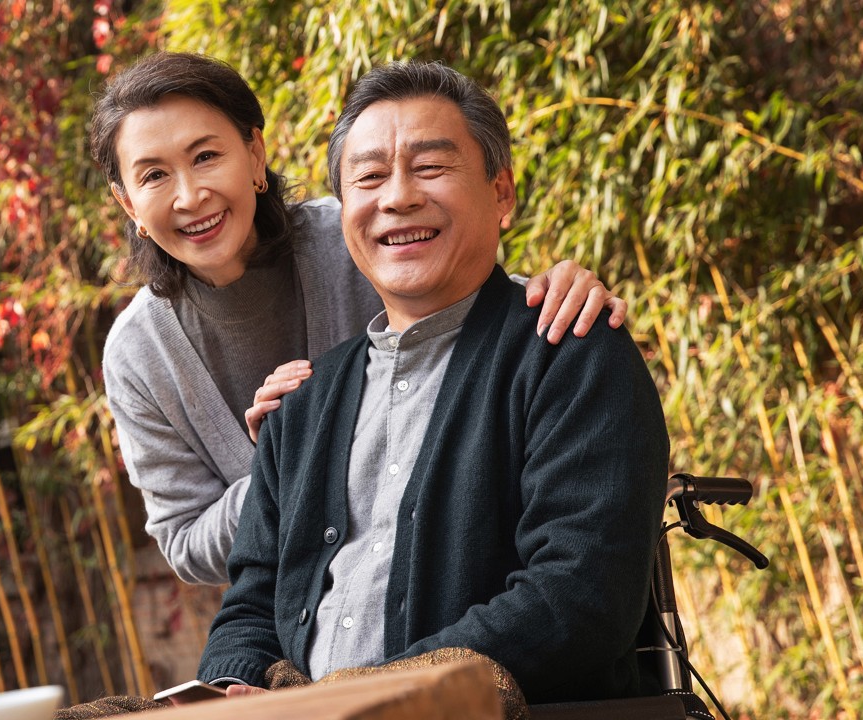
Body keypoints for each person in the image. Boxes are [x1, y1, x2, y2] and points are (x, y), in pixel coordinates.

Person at [196, 61, 668, 704]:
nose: (397, 197)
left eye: (430, 167)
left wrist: (368, 699)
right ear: (344, 212)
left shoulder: (568, 353)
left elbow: (579, 594)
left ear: (502, 192)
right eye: (368, 177)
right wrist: (233, 689)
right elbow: (250, 608)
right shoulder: (302, 404)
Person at [90, 52, 630, 586]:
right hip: (297, 618)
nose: (190, 196)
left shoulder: (352, 235)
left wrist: (556, 292)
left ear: (255, 155)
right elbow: (185, 542)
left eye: (206, 157)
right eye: (155, 175)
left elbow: (468, 305)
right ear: (128, 203)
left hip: (459, 573)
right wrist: (291, 465)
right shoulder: (138, 354)